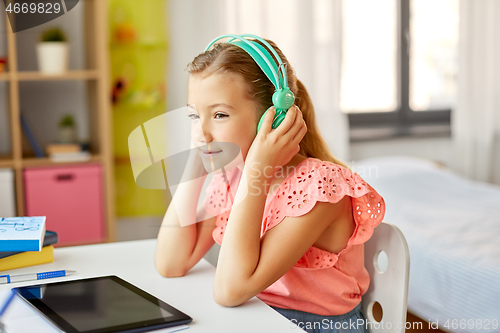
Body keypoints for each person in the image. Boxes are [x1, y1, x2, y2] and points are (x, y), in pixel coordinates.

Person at [154, 36, 385, 333]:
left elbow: (230, 290)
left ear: (273, 119)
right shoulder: (234, 176)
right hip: (258, 319)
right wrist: (199, 153)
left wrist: (257, 172)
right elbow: (171, 262)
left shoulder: (320, 187)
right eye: (194, 115)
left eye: (220, 114)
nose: (201, 131)